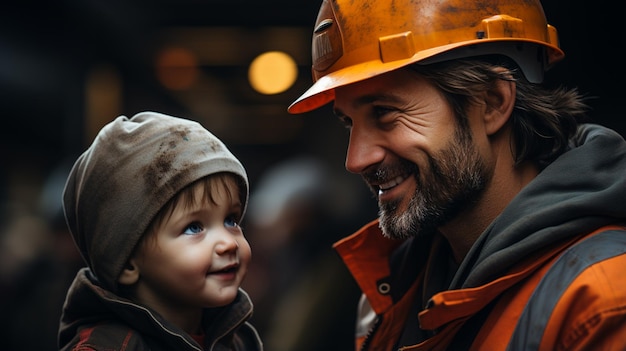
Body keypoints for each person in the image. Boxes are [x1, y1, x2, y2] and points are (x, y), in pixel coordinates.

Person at [288, 0, 626, 350]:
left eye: (384, 113)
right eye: (348, 123)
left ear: (492, 103)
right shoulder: (391, 296)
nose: (356, 159)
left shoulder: (603, 300)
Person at [58, 111, 263, 350]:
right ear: (128, 263)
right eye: (194, 227)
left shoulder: (237, 339)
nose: (229, 243)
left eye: (231, 220)